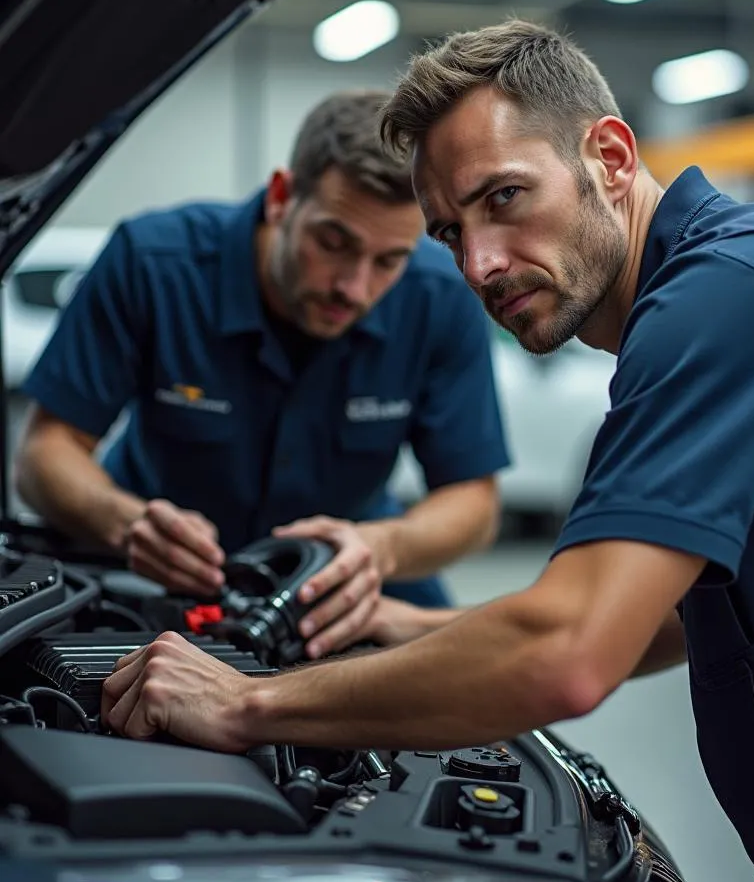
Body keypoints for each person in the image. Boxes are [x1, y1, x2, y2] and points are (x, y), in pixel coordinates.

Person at [100, 22, 754, 882]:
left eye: (504, 198)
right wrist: (403, 628)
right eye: (451, 233)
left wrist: (249, 705)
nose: (480, 265)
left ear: (611, 160)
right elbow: (657, 623)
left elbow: (570, 654)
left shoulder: (727, 303)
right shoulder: (740, 277)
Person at [15, 89, 510, 659]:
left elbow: (473, 502)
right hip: (153, 565)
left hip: (347, 572)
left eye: (388, 260)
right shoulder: (152, 264)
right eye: (333, 242)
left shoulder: (439, 298)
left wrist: (381, 549)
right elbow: (45, 455)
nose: (354, 286)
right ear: (282, 197)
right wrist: (125, 524)